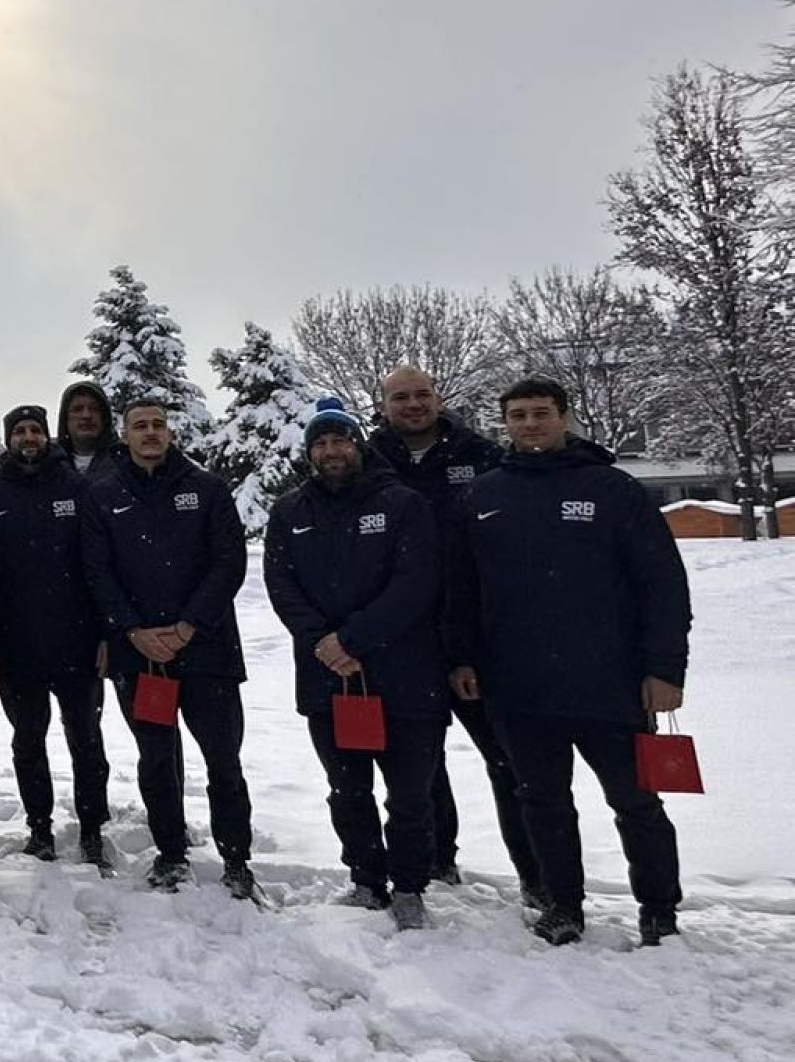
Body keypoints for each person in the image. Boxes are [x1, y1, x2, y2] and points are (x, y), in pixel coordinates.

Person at [445, 377, 692, 947]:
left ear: (564, 416)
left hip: (610, 684)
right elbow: (461, 590)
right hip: (518, 687)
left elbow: (662, 585)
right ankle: (563, 906)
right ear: (504, 423)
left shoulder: (612, 489)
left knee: (636, 802)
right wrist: (461, 657)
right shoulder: (482, 496)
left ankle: (659, 910)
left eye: (541, 413)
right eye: (518, 415)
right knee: (542, 803)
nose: (529, 424)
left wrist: (664, 670)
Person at [263, 399, 445, 931]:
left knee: (410, 794)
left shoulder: (402, 503)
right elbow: (281, 584)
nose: (331, 451)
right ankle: (366, 878)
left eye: (339, 440)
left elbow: (416, 581)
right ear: (309, 454)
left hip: (405, 675)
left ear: (358, 445)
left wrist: (354, 638)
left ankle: (409, 885)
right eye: (320, 444)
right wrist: (322, 641)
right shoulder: (290, 512)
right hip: (329, 677)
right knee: (347, 790)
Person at [366, 365, 535, 899]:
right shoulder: (369, 461)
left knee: (508, 761)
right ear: (384, 405)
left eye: (422, 394)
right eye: (400, 397)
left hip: (478, 636)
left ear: (438, 398)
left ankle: (537, 877)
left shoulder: (482, 456)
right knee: (419, 764)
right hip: (403, 637)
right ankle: (437, 860)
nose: (413, 404)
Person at [82, 398, 255, 898]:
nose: (151, 432)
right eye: (140, 426)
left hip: (207, 651)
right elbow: (97, 571)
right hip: (139, 658)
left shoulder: (206, 488)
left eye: (158, 424)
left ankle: (237, 861)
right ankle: (171, 853)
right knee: (156, 760)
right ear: (125, 435)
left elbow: (229, 562)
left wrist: (187, 626)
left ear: (171, 433)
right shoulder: (103, 495)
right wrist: (133, 631)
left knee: (224, 760)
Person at [0, 404, 111, 866]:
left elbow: (99, 566)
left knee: (86, 739)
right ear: (8, 439)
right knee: (28, 740)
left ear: (47, 436)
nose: (28, 438)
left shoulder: (78, 488)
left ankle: (92, 828)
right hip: (16, 645)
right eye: (20, 431)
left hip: (78, 642)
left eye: (35, 430)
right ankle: (39, 828)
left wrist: (106, 632)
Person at [58, 381, 119, 482]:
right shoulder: (50, 467)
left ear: (104, 417)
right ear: (65, 418)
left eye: (94, 409)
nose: (86, 416)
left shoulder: (126, 464)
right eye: (77, 409)